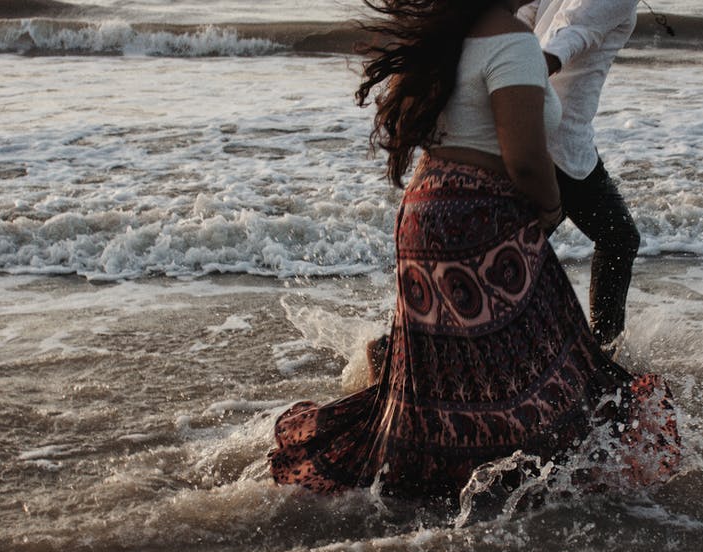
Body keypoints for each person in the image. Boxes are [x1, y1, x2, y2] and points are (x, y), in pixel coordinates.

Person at [268, 0, 679, 498]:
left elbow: (521, 34)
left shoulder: (487, 26)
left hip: (453, 185)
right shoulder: (526, 34)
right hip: (537, 158)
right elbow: (566, 37)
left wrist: (516, 61)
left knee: (488, 310)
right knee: (553, 306)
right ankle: (592, 371)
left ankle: (405, 359)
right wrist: (528, 71)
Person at [517, 0, 642, 348]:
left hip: (526, 126)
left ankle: (412, 339)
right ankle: (602, 353)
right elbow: (572, 31)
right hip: (560, 141)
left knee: (510, 252)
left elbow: (522, 18)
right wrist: (528, 74)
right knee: (619, 238)